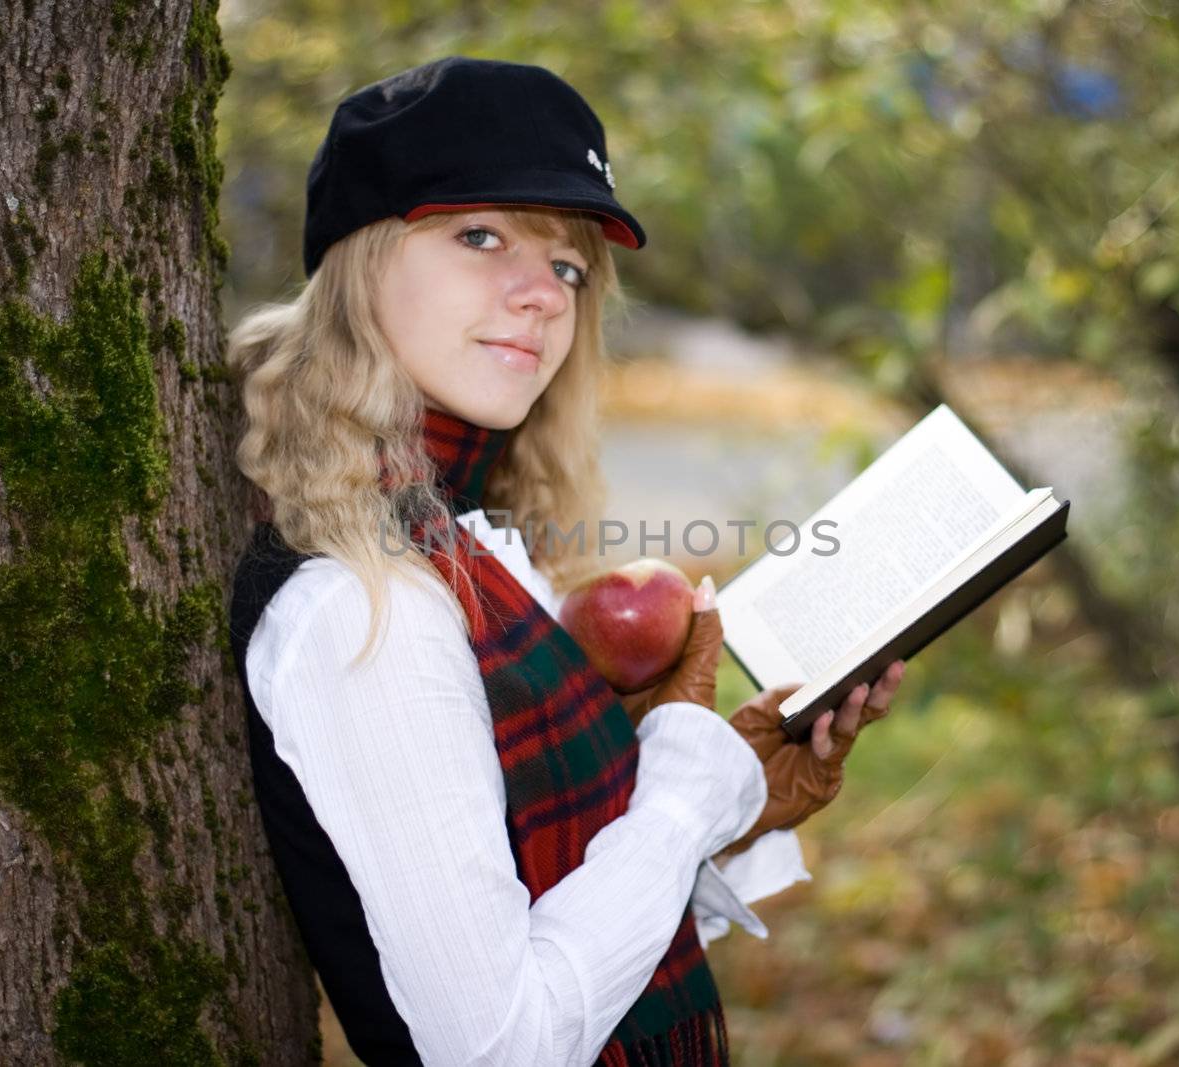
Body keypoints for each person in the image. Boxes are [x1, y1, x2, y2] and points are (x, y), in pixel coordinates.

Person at [225, 56, 905, 1067]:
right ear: (362, 259)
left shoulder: (459, 546)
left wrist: (731, 807)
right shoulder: (365, 611)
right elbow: (499, 1045)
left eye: (567, 265)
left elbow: (546, 918)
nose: (541, 294)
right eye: (481, 235)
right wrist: (678, 790)